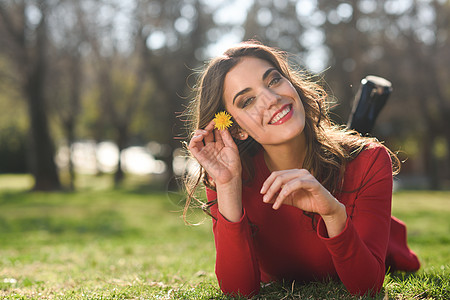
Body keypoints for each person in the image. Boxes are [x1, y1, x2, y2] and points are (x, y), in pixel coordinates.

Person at [184, 41, 420, 298]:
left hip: (384, 247)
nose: (272, 99)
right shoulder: (229, 176)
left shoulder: (369, 160)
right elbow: (238, 291)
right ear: (236, 129)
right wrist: (228, 186)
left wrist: (333, 214)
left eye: (274, 81)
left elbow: (367, 288)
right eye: (248, 100)